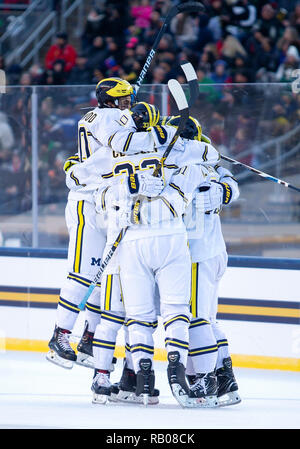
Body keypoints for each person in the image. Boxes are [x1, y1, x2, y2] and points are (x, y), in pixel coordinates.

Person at [46, 77, 137, 370]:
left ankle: (89, 337)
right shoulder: (106, 117)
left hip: (104, 202)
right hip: (87, 202)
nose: (129, 105)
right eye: (124, 100)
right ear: (109, 101)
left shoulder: (106, 116)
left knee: (102, 275)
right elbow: (124, 143)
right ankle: (60, 336)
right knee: (83, 273)